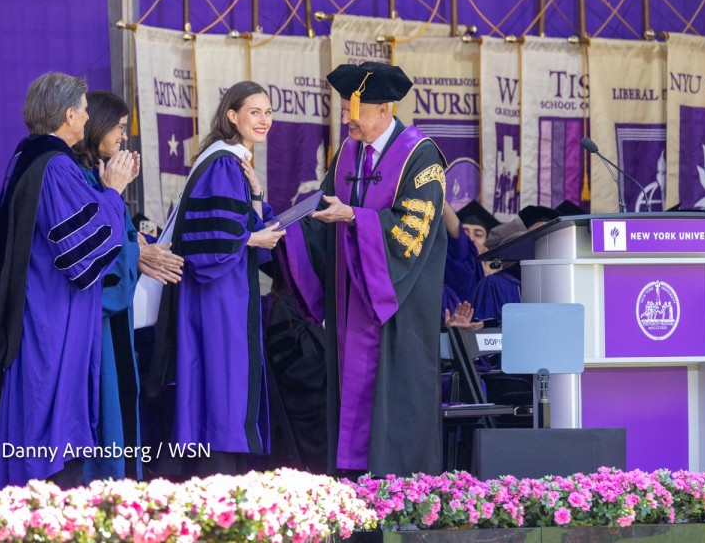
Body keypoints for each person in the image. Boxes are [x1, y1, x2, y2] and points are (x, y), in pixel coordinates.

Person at [0, 72, 137, 488]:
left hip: (36, 308)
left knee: (33, 407)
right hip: (54, 314)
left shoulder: (28, 159)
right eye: (82, 107)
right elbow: (83, 250)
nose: (86, 114)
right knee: (52, 416)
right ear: (68, 115)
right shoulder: (57, 166)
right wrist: (113, 192)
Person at [281, 61, 448, 476]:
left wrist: (356, 218)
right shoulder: (347, 154)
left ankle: (401, 496)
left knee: (397, 401)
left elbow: (413, 232)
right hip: (349, 304)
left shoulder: (422, 157)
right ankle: (352, 490)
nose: (346, 119)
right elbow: (322, 211)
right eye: (343, 108)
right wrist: (281, 226)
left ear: (385, 110)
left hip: (396, 305)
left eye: (353, 110)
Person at [147, 81, 285, 477]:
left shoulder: (232, 162)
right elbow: (208, 241)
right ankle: (219, 472)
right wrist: (253, 237)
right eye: (255, 112)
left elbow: (231, 224)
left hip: (226, 285)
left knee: (220, 378)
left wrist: (256, 193)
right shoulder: (223, 162)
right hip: (217, 290)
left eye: (268, 112)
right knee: (221, 376)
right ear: (232, 116)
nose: (264, 120)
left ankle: (221, 467)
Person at [72, 91, 184, 481]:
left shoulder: (98, 178)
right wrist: (134, 251)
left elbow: (121, 238)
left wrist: (139, 248)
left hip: (112, 321)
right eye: (118, 127)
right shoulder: (80, 179)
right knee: (103, 415)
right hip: (92, 321)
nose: (122, 137)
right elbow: (94, 253)